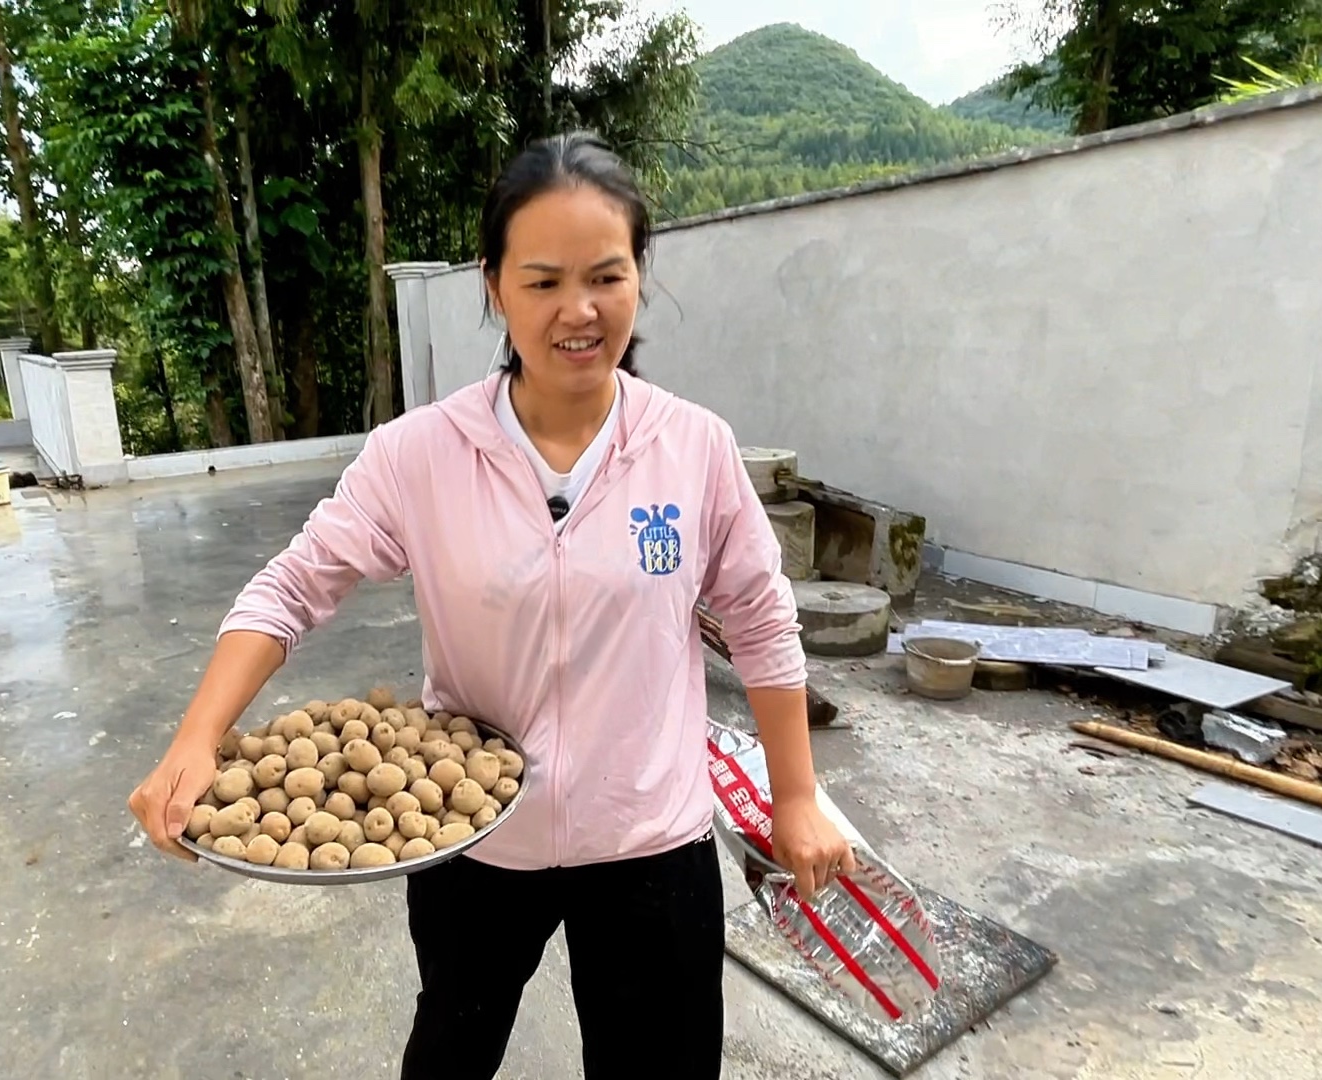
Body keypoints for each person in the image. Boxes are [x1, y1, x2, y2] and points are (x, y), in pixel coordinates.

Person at [129, 131, 855, 1080]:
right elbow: (293, 585)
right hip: (474, 841)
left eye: (606, 275)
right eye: (543, 281)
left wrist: (795, 797)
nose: (578, 311)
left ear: (641, 273)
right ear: (493, 284)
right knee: (451, 1050)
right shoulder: (419, 453)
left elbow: (760, 621)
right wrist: (196, 734)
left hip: (647, 840)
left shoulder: (694, 448)